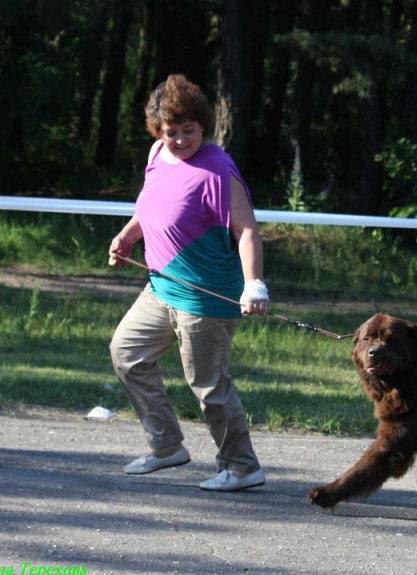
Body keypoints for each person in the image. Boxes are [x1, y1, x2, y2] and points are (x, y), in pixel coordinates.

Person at [108, 74, 268, 492]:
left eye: (188, 131)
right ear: (157, 132)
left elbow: (248, 231)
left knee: (209, 387)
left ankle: (242, 467)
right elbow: (152, 206)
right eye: (170, 132)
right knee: (127, 354)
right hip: (160, 287)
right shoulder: (158, 154)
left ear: (204, 126)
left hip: (205, 298)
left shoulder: (219, 169)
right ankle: (167, 447)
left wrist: (255, 285)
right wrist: (128, 235)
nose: (179, 140)